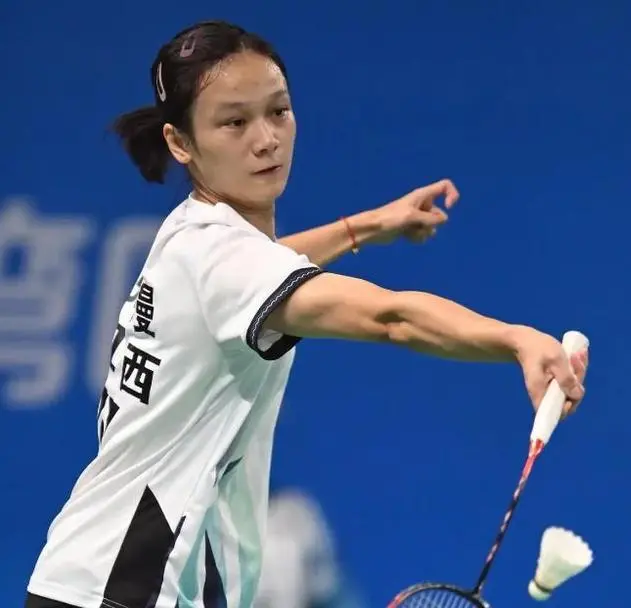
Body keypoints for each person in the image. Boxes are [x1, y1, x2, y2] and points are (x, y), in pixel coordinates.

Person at [25, 19, 588, 608]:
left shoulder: (193, 235)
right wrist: (514, 339)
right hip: (125, 586)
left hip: (94, 576)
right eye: (234, 122)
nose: (267, 139)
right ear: (180, 142)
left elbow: (265, 266)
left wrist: (368, 225)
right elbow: (388, 318)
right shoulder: (223, 260)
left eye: (279, 111)